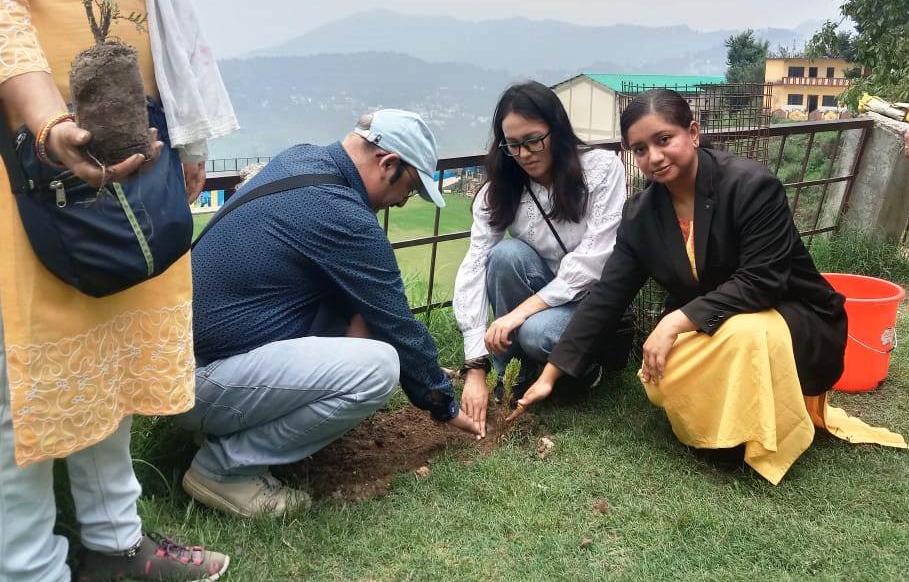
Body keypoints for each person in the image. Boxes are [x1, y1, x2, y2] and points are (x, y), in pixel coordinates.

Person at [0, 0, 236, 580]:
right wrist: (48, 123)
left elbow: (150, 10)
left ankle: (114, 545)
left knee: (103, 352)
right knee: (23, 374)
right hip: (28, 161)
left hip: (120, 154)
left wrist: (185, 134)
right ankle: (30, 566)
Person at [512, 89, 906, 483]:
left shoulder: (751, 186)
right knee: (664, 366)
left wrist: (673, 322)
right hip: (710, 321)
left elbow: (761, 282)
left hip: (793, 316)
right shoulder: (642, 215)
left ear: (694, 133)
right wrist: (550, 375)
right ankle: (716, 427)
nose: (654, 157)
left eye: (664, 140)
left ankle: (749, 440)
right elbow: (606, 297)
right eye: (641, 149)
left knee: (743, 332)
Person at [178, 109, 481, 517]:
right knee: (378, 368)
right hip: (197, 383)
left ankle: (226, 429)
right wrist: (444, 404)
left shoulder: (302, 159)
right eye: (408, 189)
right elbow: (396, 322)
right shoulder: (343, 214)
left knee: (357, 323)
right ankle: (226, 468)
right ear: (387, 163)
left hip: (175, 366)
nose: (401, 201)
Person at [452, 81, 627, 433]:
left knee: (534, 332)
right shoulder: (500, 191)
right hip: (545, 294)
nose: (525, 153)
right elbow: (475, 264)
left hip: (592, 302)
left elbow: (594, 261)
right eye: (513, 144)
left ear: (557, 130)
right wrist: (475, 363)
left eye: (534, 140)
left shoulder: (602, 170)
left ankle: (585, 372)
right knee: (504, 255)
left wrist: (516, 315)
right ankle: (510, 373)